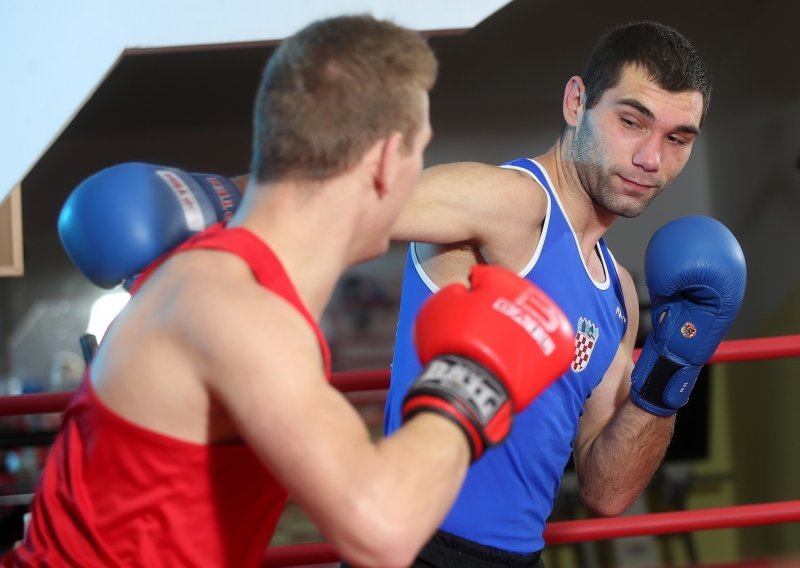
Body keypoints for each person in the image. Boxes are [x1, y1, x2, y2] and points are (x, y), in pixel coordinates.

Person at [2, 15, 579, 568]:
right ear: (383, 162)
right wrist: (471, 376)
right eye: (419, 152)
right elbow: (383, 529)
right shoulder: (237, 311)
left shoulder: (228, 285)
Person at [381, 20, 746, 566]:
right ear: (576, 102)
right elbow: (331, 207)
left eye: (677, 139)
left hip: (519, 556)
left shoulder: (616, 293)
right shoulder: (508, 201)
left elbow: (607, 489)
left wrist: (676, 363)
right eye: (631, 121)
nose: (651, 158)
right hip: (414, 546)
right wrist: (211, 205)